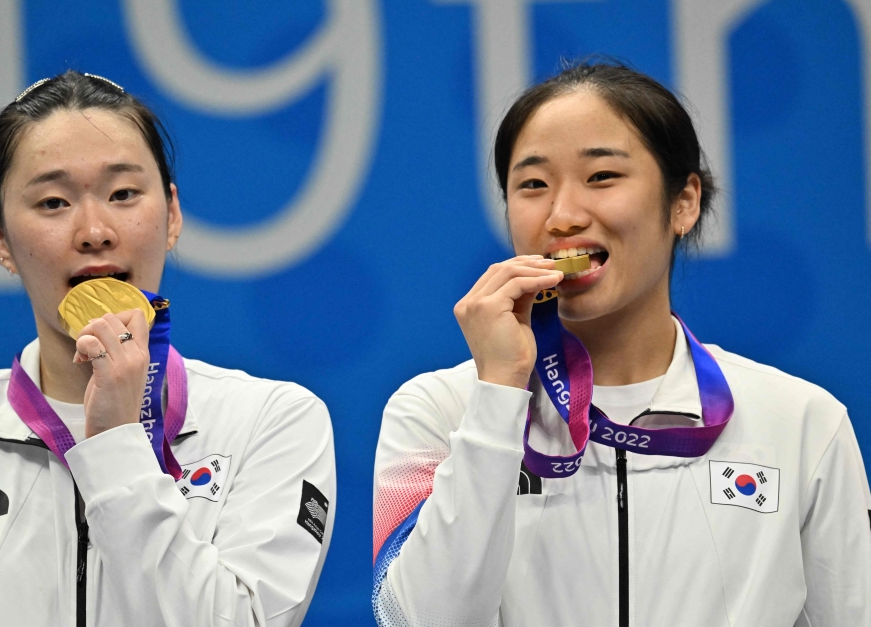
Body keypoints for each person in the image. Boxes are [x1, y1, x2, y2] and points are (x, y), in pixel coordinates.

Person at [371, 62, 871, 626]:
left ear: (683, 202)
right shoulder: (439, 410)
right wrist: (497, 398)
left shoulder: (800, 422)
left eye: (602, 176)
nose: (561, 217)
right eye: (532, 185)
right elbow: (417, 620)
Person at [0, 71, 335, 627]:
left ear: (172, 214)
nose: (94, 230)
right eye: (52, 202)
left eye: (123, 194)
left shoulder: (272, 422)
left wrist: (118, 441)